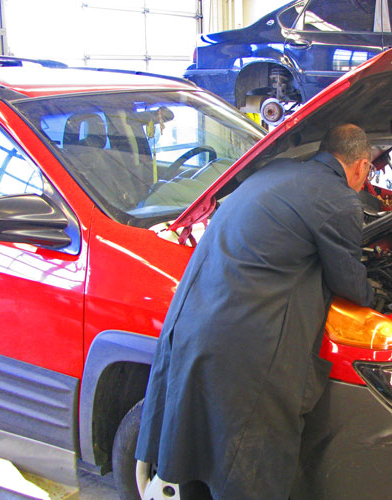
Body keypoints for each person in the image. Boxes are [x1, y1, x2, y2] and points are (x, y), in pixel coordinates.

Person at [135, 124, 374, 499]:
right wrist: (381, 295)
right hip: (247, 348)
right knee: (250, 467)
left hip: (193, 321)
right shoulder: (338, 198)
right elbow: (351, 285)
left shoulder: (274, 171)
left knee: (194, 450)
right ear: (361, 167)